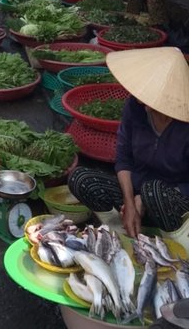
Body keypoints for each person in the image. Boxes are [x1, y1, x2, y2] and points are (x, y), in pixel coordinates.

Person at [69, 47, 189, 235]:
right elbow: (123, 159)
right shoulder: (135, 107)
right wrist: (130, 201)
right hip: (135, 192)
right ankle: (123, 230)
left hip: (172, 202)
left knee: (153, 191)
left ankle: (169, 240)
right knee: (80, 178)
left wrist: (145, 199)